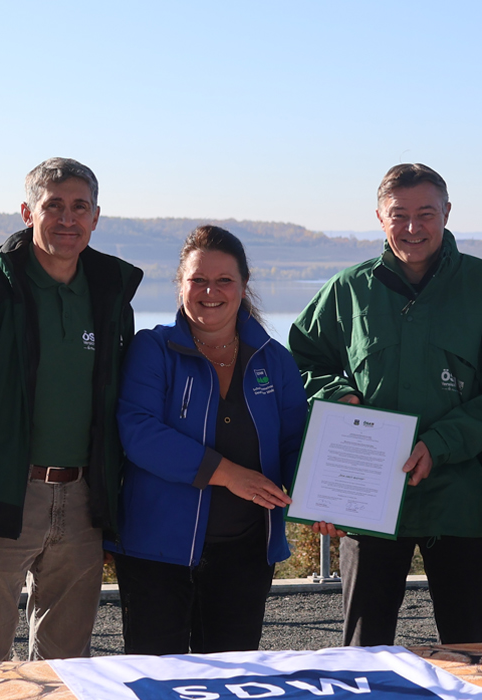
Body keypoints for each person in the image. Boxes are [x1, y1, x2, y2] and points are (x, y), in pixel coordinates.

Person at [290, 163, 482, 646]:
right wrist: (337, 394)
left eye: (426, 213)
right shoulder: (348, 290)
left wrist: (438, 444)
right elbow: (300, 359)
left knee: (469, 649)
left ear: (447, 212)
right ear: (380, 217)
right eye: (399, 215)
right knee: (364, 649)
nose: (413, 227)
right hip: (368, 499)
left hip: (458, 500)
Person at [0, 157, 142, 661]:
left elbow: (118, 410)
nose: (68, 219)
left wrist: (111, 510)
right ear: (27, 212)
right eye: (54, 206)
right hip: (1, 495)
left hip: (83, 501)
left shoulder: (110, 300)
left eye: (79, 207)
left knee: (66, 663)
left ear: (96, 217)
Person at [108, 225, 309, 654]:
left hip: (246, 553)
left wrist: (322, 501)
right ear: (181, 284)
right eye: (197, 280)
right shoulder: (153, 350)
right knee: (157, 680)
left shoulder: (275, 360)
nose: (209, 291)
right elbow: (138, 431)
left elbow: (297, 444)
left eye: (223, 281)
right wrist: (227, 473)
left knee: (231, 677)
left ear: (243, 285)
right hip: (155, 551)